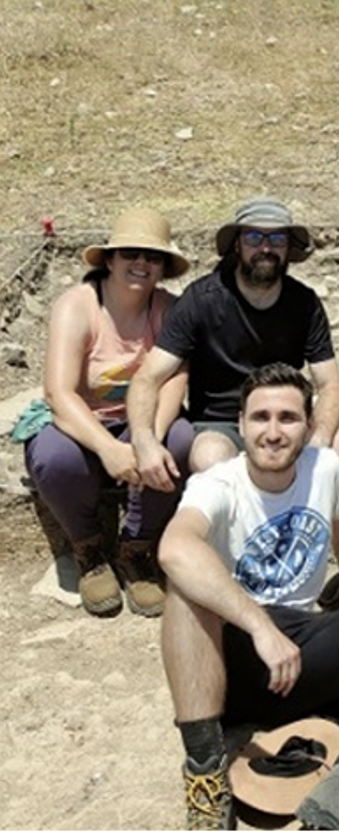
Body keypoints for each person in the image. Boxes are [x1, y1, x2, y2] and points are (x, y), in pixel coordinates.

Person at [159, 363, 339, 830]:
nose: (272, 431)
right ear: (241, 425)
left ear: (308, 425)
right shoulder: (216, 484)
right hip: (236, 663)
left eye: (287, 418)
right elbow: (174, 547)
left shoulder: (324, 468)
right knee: (184, 594)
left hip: (303, 650)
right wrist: (259, 627)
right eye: (260, 417)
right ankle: (207, 780)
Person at [128, 197, 339, 489]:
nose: (266, 248)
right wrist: (143, 440)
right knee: (210, 458)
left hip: (287, 416)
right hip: (223, 424)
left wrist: (317, 442)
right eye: (254, 237)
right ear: (237, 245)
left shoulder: (304, 303)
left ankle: (300, 513)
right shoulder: (200, 301)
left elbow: (330, 384)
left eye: (277, 238)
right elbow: (147, 377)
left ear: (288, 248)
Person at [25, 208, 194, 618]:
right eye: (130, 253)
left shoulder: (170, 310)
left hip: (142, 421)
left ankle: (137, 547)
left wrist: (146, 439)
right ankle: (87, 547)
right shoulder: (77, 306)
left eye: (152, 257)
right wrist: (108, 448)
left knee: (183, 440)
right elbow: (59, 392)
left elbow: (175, 381)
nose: (140, 263)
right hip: (83, 419)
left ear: (163, 267)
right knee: (54, 457)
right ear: (111, 259)